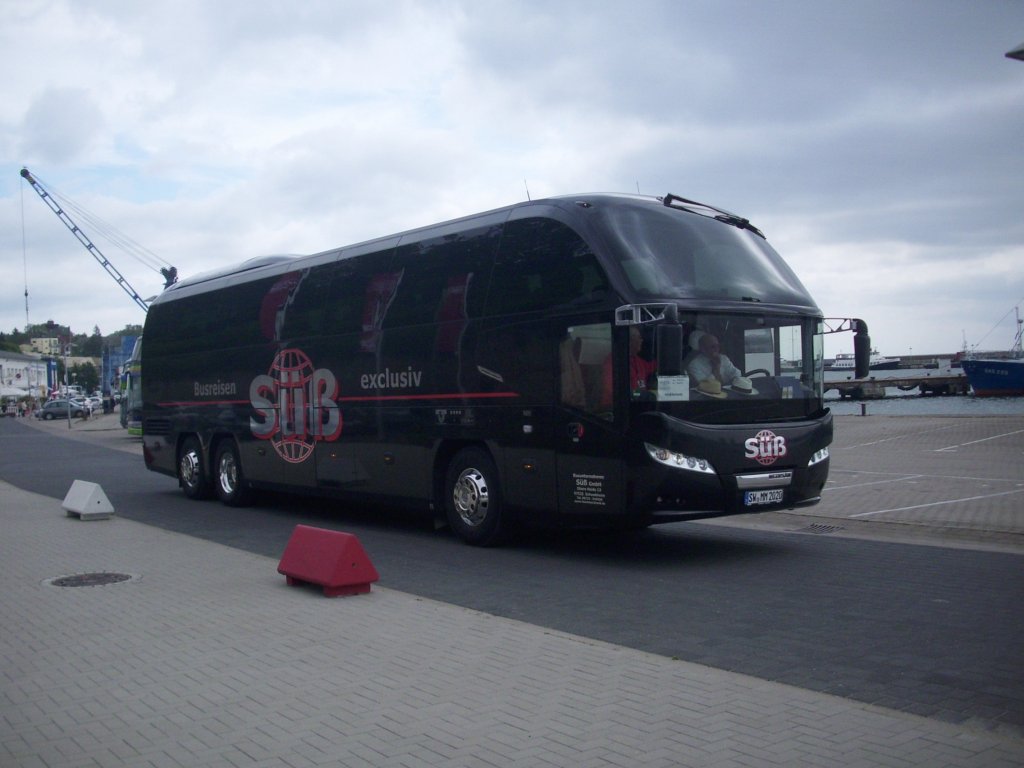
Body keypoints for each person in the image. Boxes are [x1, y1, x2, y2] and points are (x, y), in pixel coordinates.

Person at [600, 326, 657, 409]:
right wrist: (642, 394)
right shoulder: (613, 362)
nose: (642, 341)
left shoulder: (637, 360)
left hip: (637, 405)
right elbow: (614, 391)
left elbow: (652, 366)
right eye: (639, 338)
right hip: (617, 410)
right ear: (629, 340)